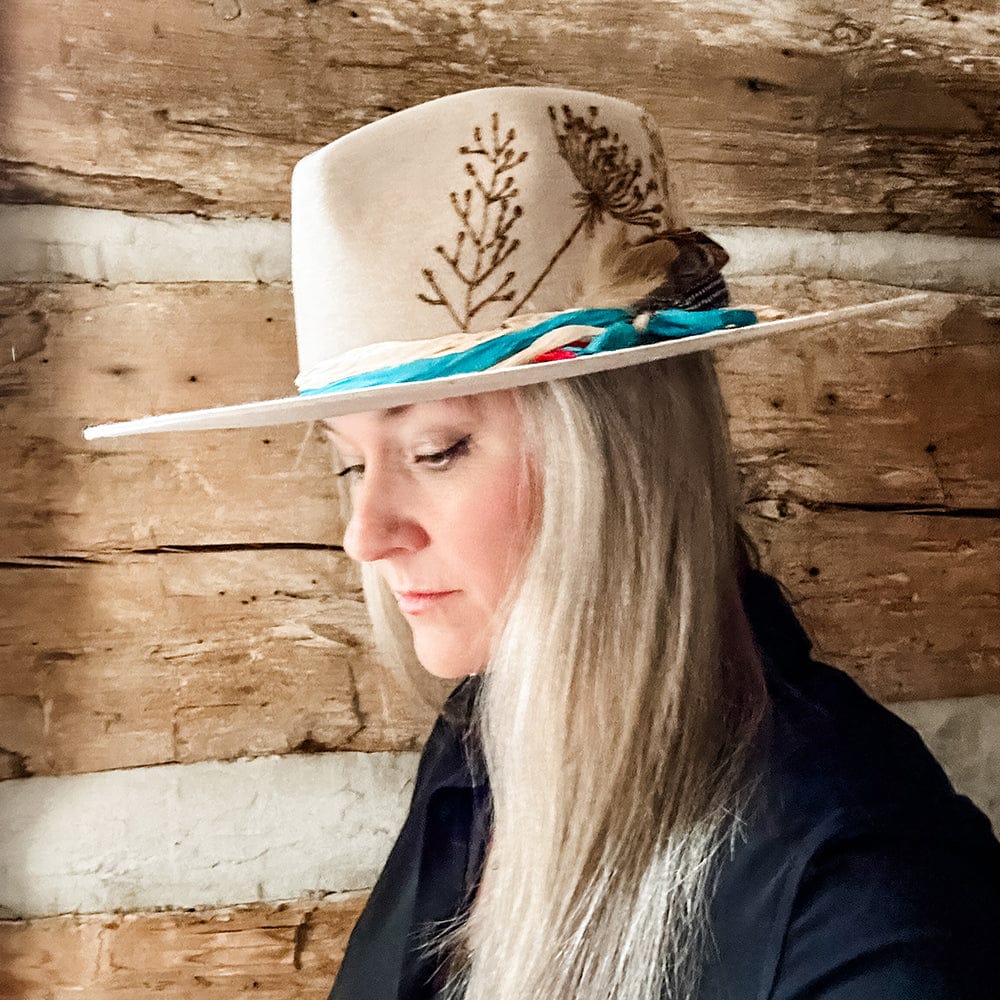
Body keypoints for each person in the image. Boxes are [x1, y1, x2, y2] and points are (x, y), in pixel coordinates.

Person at [83, 86, 999, 999]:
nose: (366, 534)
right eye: (351, 466)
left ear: (619, 459)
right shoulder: (484, 748)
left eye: (436, 450)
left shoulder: (866, 884)